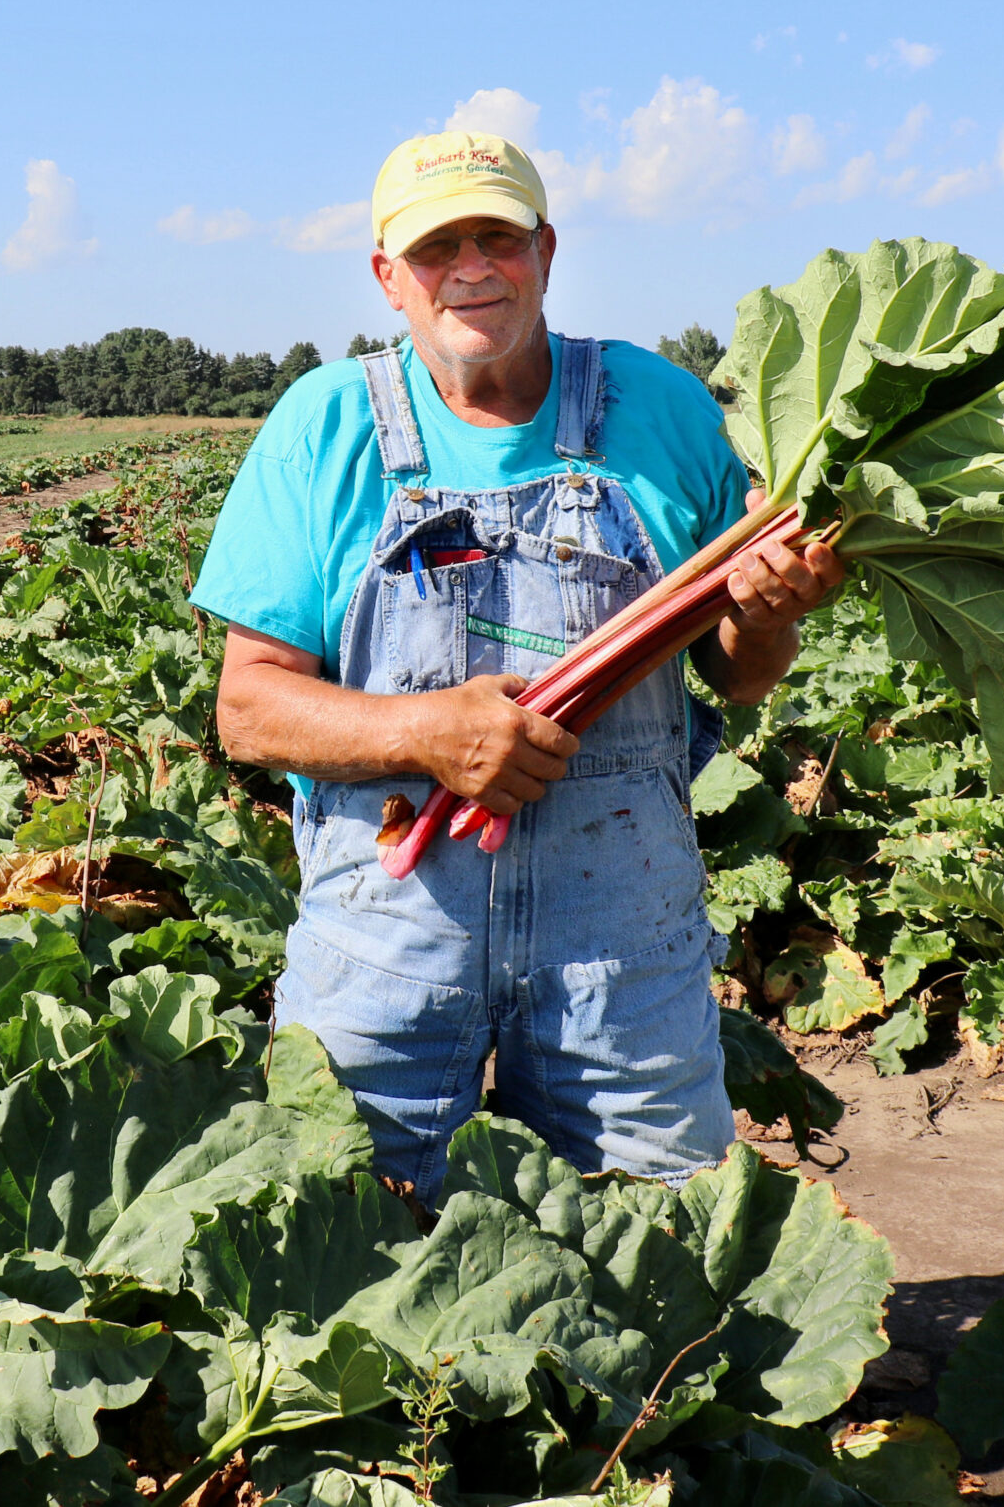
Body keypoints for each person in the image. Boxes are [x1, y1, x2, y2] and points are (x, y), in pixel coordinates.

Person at [189, 131, 844, 1191]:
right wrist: (424, 732)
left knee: (663, 1267)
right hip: (384, 948)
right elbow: (249, 711)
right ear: (387, 276)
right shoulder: (323, 426)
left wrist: (767, 615)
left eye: (497, 235)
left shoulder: (658, 408)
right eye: (437, 245)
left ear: (544, 249)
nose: (471, 266)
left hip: (621, 956)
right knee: (349, 1262)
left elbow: (740, 675)